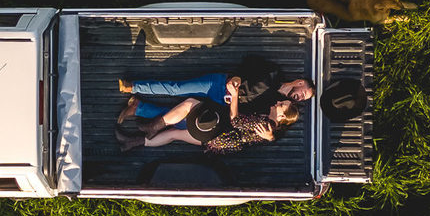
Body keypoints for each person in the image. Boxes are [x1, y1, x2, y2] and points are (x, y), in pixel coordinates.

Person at [117, 66, 314, 127]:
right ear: (299, 82)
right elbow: (245, 65)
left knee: (184, 120)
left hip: (223, 106)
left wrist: (234, 100)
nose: (301, 97)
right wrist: (235, 80)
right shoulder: (273, 74)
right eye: (303, 92)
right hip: (218, 85)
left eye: (304, 99)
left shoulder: (275, 107)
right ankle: (133, 87)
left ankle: (139, 108)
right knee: (176, 89)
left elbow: (243, 118)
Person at [116, 97, 299, 154]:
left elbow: (236, 121)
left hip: (218, 133)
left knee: (190, 104)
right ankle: (132, 142)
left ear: (282, 116)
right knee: (173, 134)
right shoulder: (270, 128)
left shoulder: (265, 124)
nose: (278, 102)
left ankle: (152, 127)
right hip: (219, 142)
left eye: (282, 105)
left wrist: (234, 95)